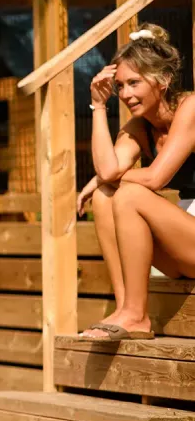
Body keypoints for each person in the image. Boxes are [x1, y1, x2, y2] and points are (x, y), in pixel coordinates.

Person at [76, 23, 195, 340]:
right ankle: (126, 308)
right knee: (104, 195)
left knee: (127, 195)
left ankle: (135, 314)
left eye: (134, 83)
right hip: (185, 240)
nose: (126, 94)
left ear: (163, 80)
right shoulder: (139, 126)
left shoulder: (190, 108)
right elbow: (107, 171)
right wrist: (98, 106)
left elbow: (156, 178)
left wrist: (112, 174)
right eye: (120, 86)